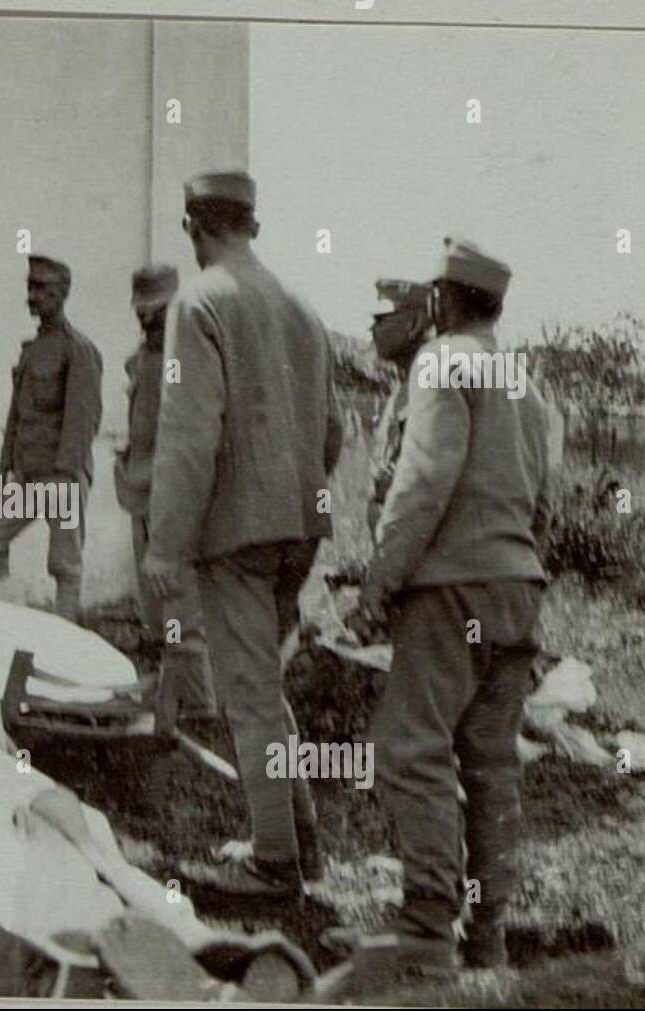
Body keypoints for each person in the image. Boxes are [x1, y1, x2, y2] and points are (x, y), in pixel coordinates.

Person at [345, 238, 552, 977]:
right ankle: (489, 937)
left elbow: (423, 483)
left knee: (410, 749)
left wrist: (377, 590)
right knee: (492, 765)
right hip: (517, 588)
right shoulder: (527, 381)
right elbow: (542, 501)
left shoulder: (440, 364)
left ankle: (429, 934)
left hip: (451, 592)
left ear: (440, 300)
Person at [143, 170, 342, 899]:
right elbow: (332, 432)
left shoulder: (199, 301)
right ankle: (301, 840)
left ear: (196, 224)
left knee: (249, 694)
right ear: (250, 224)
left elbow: (190, 434)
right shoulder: (302, 307)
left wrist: (166, 544)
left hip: (236, 532)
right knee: (265, 683)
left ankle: (273, 863)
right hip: (299, 526)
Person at [0, 255, 102, 621]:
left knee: (64, 565)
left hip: (62, 477)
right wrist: (3, 473)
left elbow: (83, 421)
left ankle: (64, 643)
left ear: (61, 294)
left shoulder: (79, 349)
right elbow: (16, 418)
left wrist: (64, 477)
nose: (32, 296)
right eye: (30, 287)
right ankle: (10, 622)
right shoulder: (30, 351)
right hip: (28, 477)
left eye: (41, 288)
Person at [113, 263, 216, 734]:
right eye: (142, 314)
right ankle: (172, 702)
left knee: (183, 615)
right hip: (141, 498)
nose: (147, 322)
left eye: (157, 313)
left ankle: (199, 713)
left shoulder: (192, 361)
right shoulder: (140, 361)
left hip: (175, 505)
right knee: (157, 616)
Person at [366, 279, 432, 543]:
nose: (373, 329)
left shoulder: (431, 389)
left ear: (415, 324)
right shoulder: (403, 390)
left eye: (382, 319)